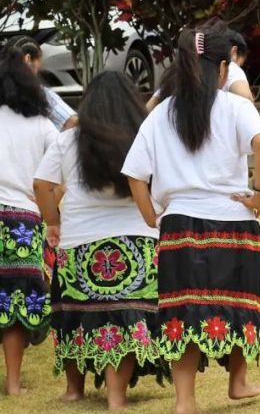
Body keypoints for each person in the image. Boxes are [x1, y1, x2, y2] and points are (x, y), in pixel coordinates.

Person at [121, 20, 260, 414]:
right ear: (223, 68)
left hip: (180, 225)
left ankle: (184, 400)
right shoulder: (237, 107)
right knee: (240, 302)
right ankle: (237, 382)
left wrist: (151, 216)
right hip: (234, 222)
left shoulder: (160, 115)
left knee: (180, 310)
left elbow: (135, 174)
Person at [32, 71, 164, 410]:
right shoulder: (145, 137)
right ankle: (117, 396)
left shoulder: (68, 140)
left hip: (79, 245)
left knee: (72, 315)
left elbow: (41, 185)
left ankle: (75, 390)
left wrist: (53, 221)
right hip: (138, 244)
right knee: (126, 315)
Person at [0, 46, 59, 395]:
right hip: (23, 220)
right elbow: (57, 178)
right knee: (17, 302)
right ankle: (13, 384)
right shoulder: (41, 125)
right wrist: (50, 215)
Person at [145, 28, 253, 112]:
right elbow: (245, 97)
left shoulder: (180, 68)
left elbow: (149, 108)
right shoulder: (230, 66)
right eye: (240, 63)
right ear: (233, 52)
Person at [9, 36, 78, 130]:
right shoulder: (39, 93)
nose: (41, 66)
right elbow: (71, 122)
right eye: (40, 59)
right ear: (28, 59)